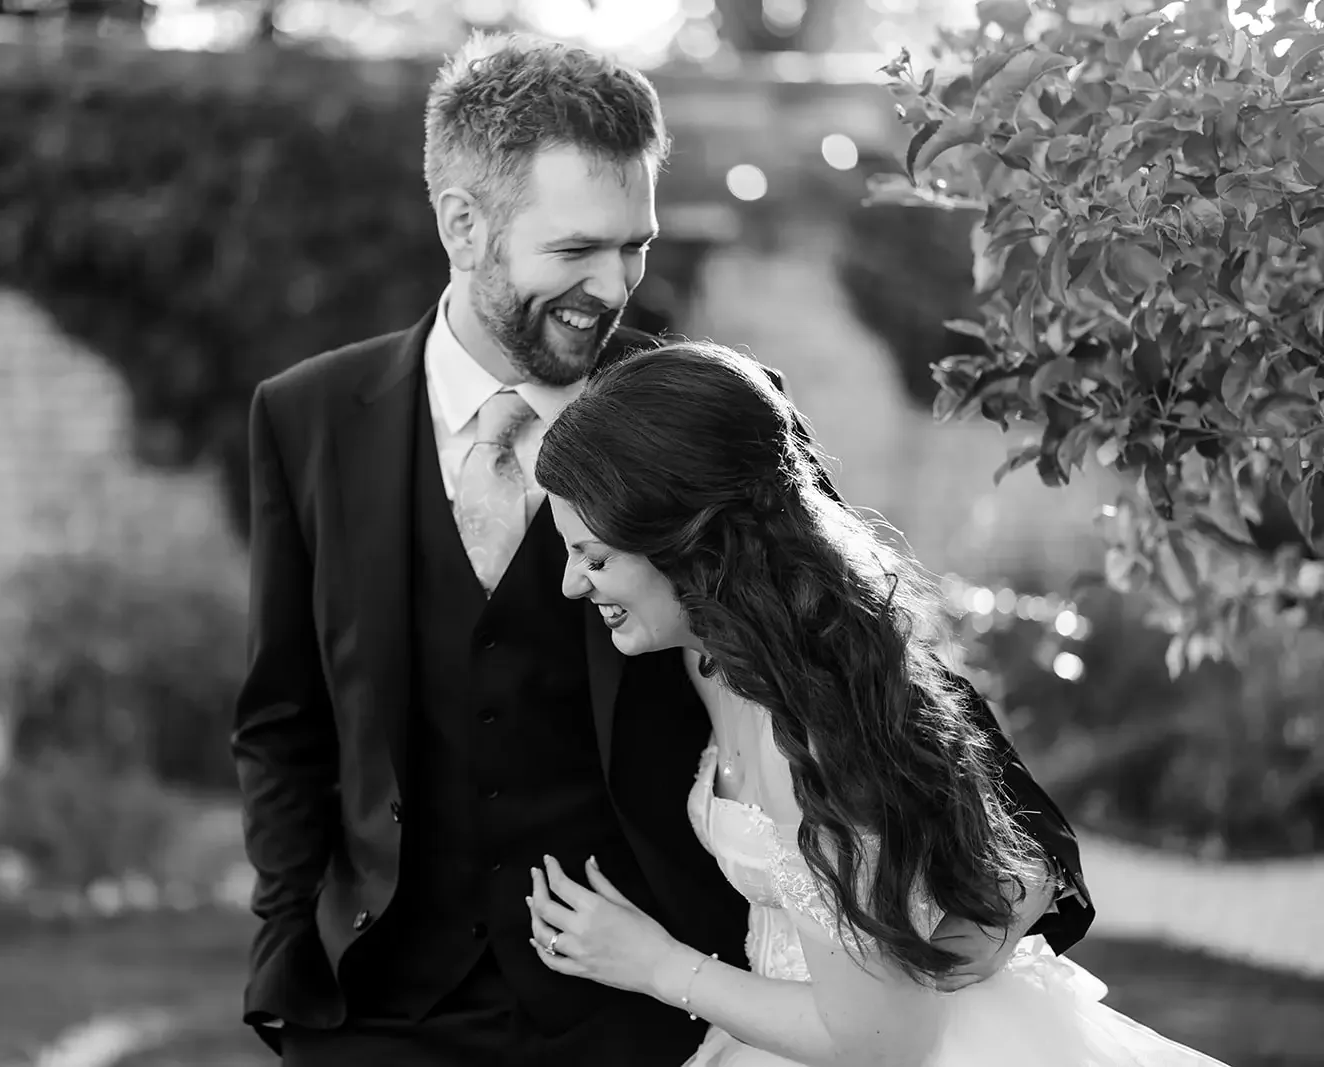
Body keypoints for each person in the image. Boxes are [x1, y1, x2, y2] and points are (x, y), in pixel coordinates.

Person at [232, 32, 746, 1067]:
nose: (614, 287)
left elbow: (838, 651)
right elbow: (286, 719)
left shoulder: (709, 415)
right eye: (575, 250)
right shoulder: (306, 418)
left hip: (644, 1012)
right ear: (462, 224)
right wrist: (286, 942)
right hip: (379, 1010)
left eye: (633, 245)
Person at [527, 340, 1231, 1067]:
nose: (573, 586)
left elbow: (882, 1038)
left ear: (692, 544)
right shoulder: (727, 653)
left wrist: (654, 965)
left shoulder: (808, 732)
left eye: (596, 557)